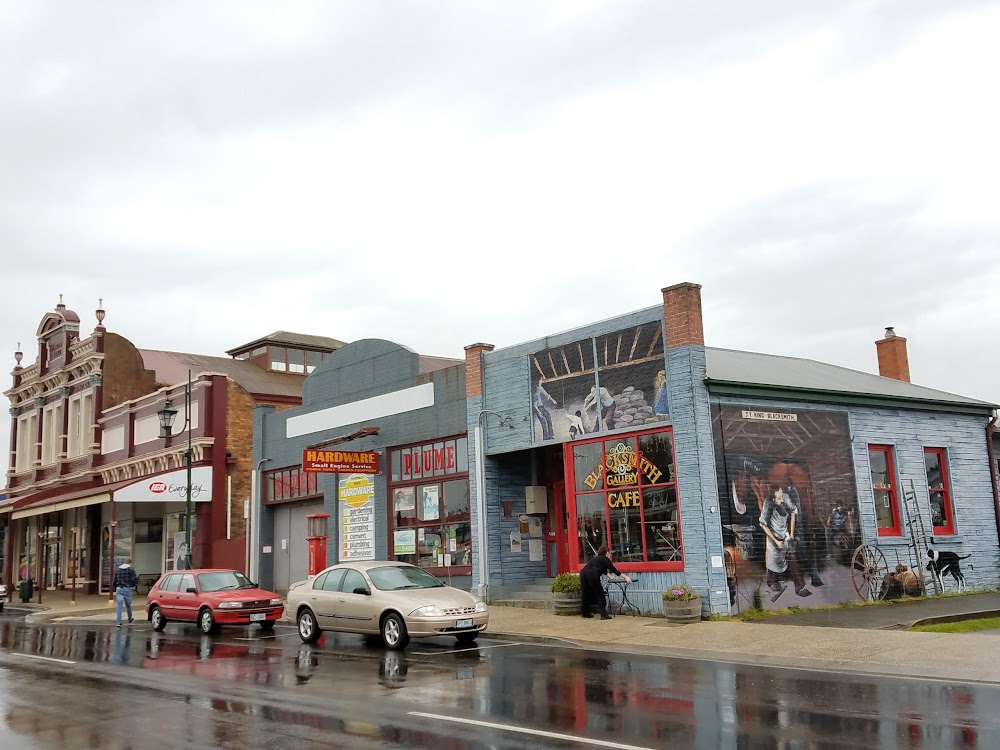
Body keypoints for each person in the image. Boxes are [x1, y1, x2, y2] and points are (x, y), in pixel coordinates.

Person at [579, 545, 632, 620]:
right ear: (606, 552)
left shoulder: (596, 559)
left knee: (585, 593)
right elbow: (614, 570)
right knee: (599, 593)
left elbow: (603, 569)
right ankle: (603, 614)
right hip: (592, 574)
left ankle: (585, 613)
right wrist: (626, 577)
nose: (610, 555)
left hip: (583, 573)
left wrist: (610, 577)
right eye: (610, 553)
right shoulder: (605, 559)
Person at [113, 558, 139, 627]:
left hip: (119, 589)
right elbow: (135, 579)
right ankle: (130, 619)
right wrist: (132, 585)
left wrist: (115, 587)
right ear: (129, 563)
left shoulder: (118, 570)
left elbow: (114, 580)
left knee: (119, 606)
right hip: (127, 589)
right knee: (128, 605)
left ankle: (119, 622)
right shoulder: (131, 570)